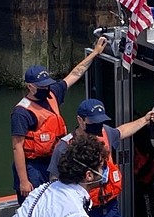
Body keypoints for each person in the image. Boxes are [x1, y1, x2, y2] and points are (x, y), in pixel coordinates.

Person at [48, 98, 154, 217]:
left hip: (109, 209)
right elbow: (54, 181)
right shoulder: (65, 147)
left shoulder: (105, 132)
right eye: (93, 122)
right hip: (83, 212)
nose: (98, 126)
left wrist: (144, 120)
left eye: (101, 121)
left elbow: (121, 131)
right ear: (80, 120)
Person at [11, 37, 108, 203]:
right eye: (41, 86)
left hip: (55, 158)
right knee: (35, 204)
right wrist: (24, 181)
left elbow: (75, 73)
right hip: (34, 166)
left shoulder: (52, 93)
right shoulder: (22, 112)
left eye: (47, 84)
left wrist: (95, 53)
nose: (46, 88)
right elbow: (17, 147)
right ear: (30, 87)